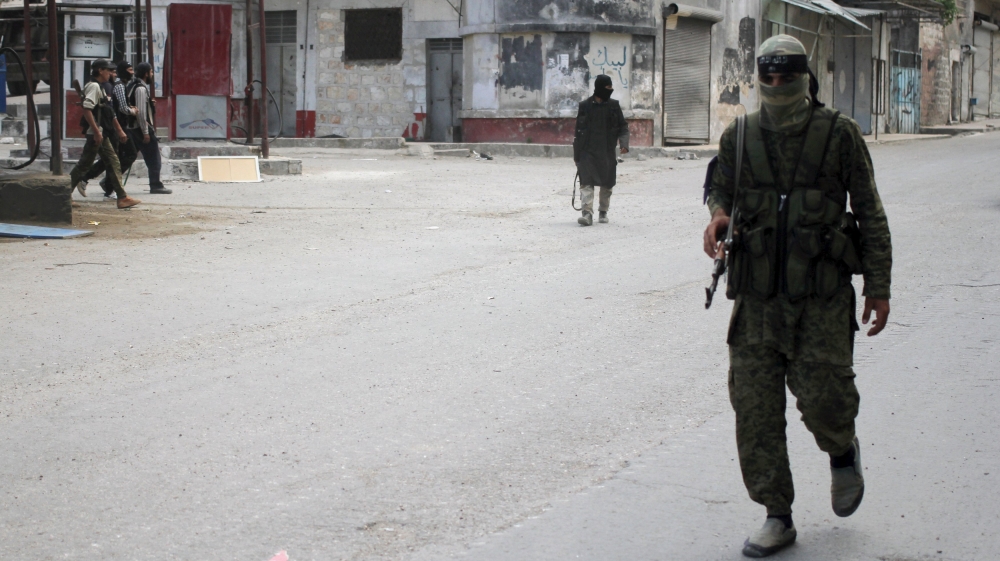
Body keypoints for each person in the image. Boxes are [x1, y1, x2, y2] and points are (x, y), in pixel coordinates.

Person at [702, 35, 892, 557]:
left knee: (826, 401)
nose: (777, 85)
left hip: (821, 300)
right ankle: (776, 514)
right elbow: (720, 189)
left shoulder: (840, 134)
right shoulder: (739, 135)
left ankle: (842, 450)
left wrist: (878, 286)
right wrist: (718, 215)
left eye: (787, 77)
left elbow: (870, 212)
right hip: (757, 300)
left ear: (806, 78)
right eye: (769, 76)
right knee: (755, 412)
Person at [70, 59, 140, 209]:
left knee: (113, 162)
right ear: (100, 71)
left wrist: (118, 130)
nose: (111, 73)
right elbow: (87, 109)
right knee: (85, 164)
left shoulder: (100, 87)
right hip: (97, 133)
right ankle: (64, 194)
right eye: (108, 70)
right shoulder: (94, 87)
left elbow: (109, 111)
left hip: (103, 132)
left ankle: (122, 197)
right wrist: (96, 132)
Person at [572, 74, 628, 226]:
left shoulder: (614, 106)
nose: (610, 90)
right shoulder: (585, 106)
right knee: (586, 182)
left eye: (611, 87)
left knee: (607, 183)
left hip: (606, 151)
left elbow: (623, 127)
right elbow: (578, 131)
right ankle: (587, 213)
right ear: (599, 88)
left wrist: (624, 144)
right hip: (587, 152)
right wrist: (577, 155)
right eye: (608, 87)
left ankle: (603, 211)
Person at [126, 62, 170, 194]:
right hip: (140, 128)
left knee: (128, 157)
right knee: (154, 158)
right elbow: (141, 113)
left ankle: (108, 182)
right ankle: (155, 185)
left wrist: (150, 104)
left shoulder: (132, 85)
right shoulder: (140, 89)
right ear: (146, 74)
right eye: (151, 72)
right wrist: (145, 132)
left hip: (133, 128)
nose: (152, 75)